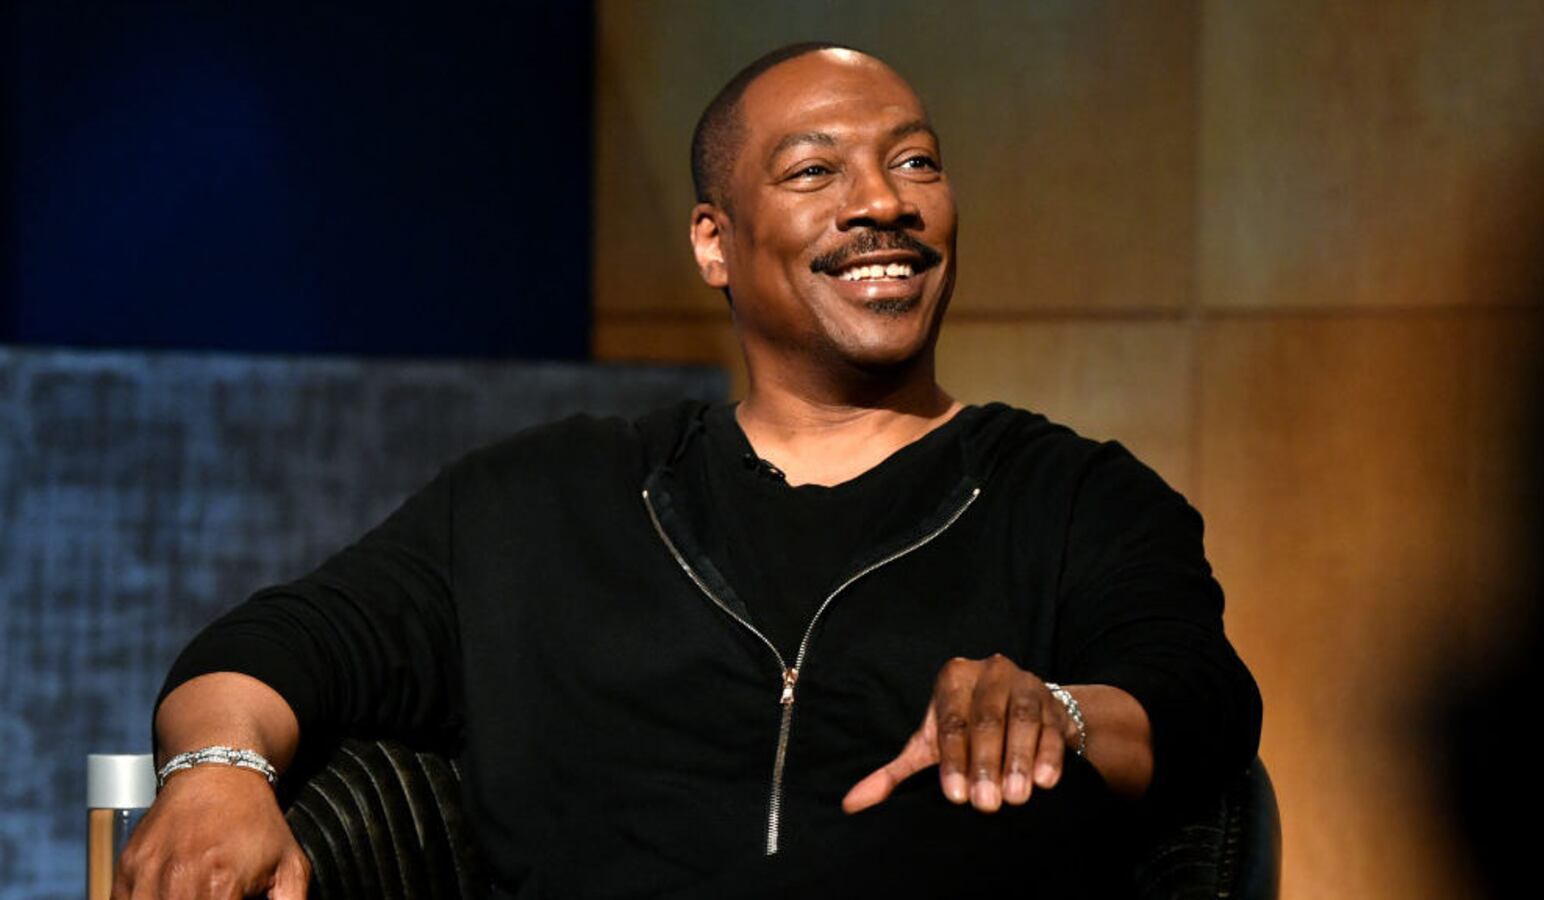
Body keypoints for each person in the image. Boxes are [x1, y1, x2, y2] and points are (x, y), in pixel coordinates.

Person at [115, 43, 1262, 899]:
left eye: (916, 163)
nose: (885, 204)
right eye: (817, 172)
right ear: (713, 240)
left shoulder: (1072, 496)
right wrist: (215, 771)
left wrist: (1054, 710)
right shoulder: (545, 499)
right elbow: (284, 645)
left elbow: (1196, 704)